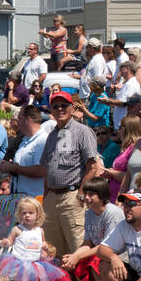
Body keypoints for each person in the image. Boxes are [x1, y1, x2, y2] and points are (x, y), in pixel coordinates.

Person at [35, 89, 101, 255]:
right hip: (52, 198)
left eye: (64, 105)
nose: (60, 109)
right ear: (51, 110)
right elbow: (47, 169)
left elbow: (92, 166)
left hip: (72, 196)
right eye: (55, 106)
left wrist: (80, 193)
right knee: (52, 252)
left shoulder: (82, 131)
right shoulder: (51, 135)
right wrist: (46, 198)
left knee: (78, 251)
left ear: (72, 108)